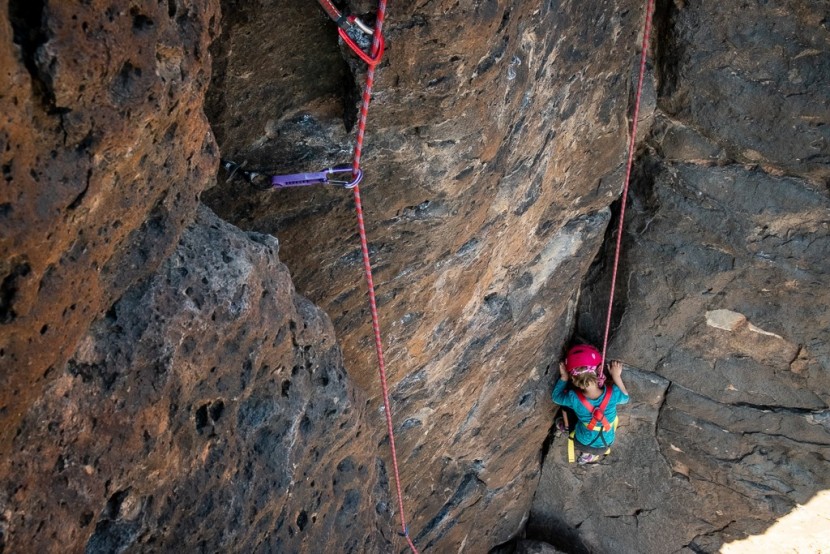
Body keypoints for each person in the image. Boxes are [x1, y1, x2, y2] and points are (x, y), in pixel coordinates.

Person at [552, 344, 629, 464]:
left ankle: (566, 427)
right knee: (589, 427)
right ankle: (588, 456)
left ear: (574, 379)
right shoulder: (613, 393)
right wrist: (616, 376)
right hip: (605, 445)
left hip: (582, 443)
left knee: (568, 408)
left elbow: (556, 397)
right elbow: (625, 398)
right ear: (598, 372)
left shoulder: (574, 397)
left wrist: (563, 378)